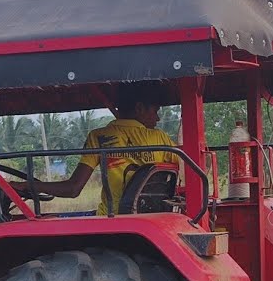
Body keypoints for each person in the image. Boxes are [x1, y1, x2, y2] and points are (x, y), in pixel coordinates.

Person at [10, 83, 177, 215]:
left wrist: (29, 185)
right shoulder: (160, 138)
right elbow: (187, 171)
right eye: (155, 111)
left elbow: (73, 189)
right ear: (139, 108)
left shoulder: (99, 137)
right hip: (148, 216)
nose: (157, 118)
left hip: (111, 218)